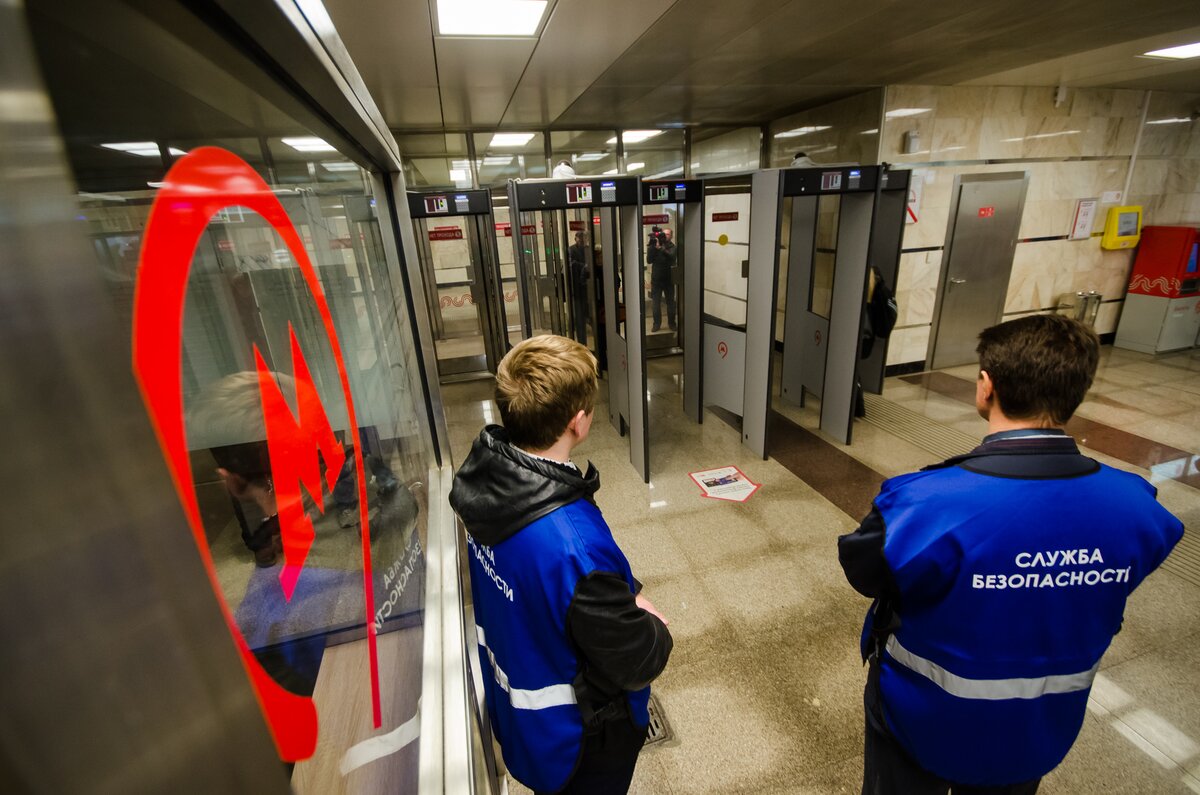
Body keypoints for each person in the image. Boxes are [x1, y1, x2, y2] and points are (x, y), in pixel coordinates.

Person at [838, 314, 1184, 795]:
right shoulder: (1138, 507)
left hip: (920, 717)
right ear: (1076, 392)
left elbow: (864, 570)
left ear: (986, 387)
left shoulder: (926, 502)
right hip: (1039, 728)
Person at [449, 335, 672, 795]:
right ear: (579, 421)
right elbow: (635, 659)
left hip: (519, 715)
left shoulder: (484, 481)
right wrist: (653, 626)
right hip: (578, 744)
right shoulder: (573, 543)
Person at [647, 227, 676, 332]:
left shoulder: (672, 247)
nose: (665, 236)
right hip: (656, 280)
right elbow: (649, 260)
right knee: (655, 303)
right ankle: (656, 324)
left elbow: (672, 257)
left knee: (670, 303)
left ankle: (672, 323)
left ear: (671, 236)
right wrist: (652, 247)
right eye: (664, 234)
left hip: (669, 280)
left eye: (668, 234)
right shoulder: (654, 245)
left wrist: (661, 249)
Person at [568, 230, 591, 344]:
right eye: (579, 238)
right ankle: (582, 341)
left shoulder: (588, 249)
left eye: (584, 238)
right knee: (579, 316)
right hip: (577, 287)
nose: (582, 240)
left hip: (589, 287)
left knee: (589, 313)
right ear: (575, 238)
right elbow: (570, 264)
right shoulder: (571, 250)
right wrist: (583, 266)